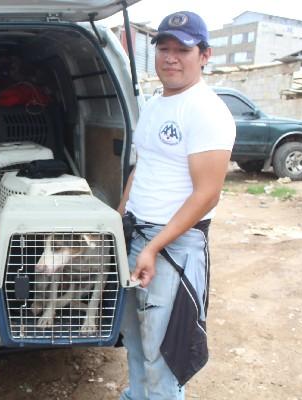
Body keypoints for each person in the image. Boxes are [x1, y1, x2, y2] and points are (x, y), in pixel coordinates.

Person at [117, 11, 236, 400]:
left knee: (163, 353)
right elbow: (142, 168)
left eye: (182, 49)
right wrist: (119, 221)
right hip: (139, 234)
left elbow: (207, 194)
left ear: (204, 54)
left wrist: (152, 247)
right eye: (163, 48)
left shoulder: (206, 109)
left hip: (173, 246)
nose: (170, 57)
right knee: (136, 340)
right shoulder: (155, 104)